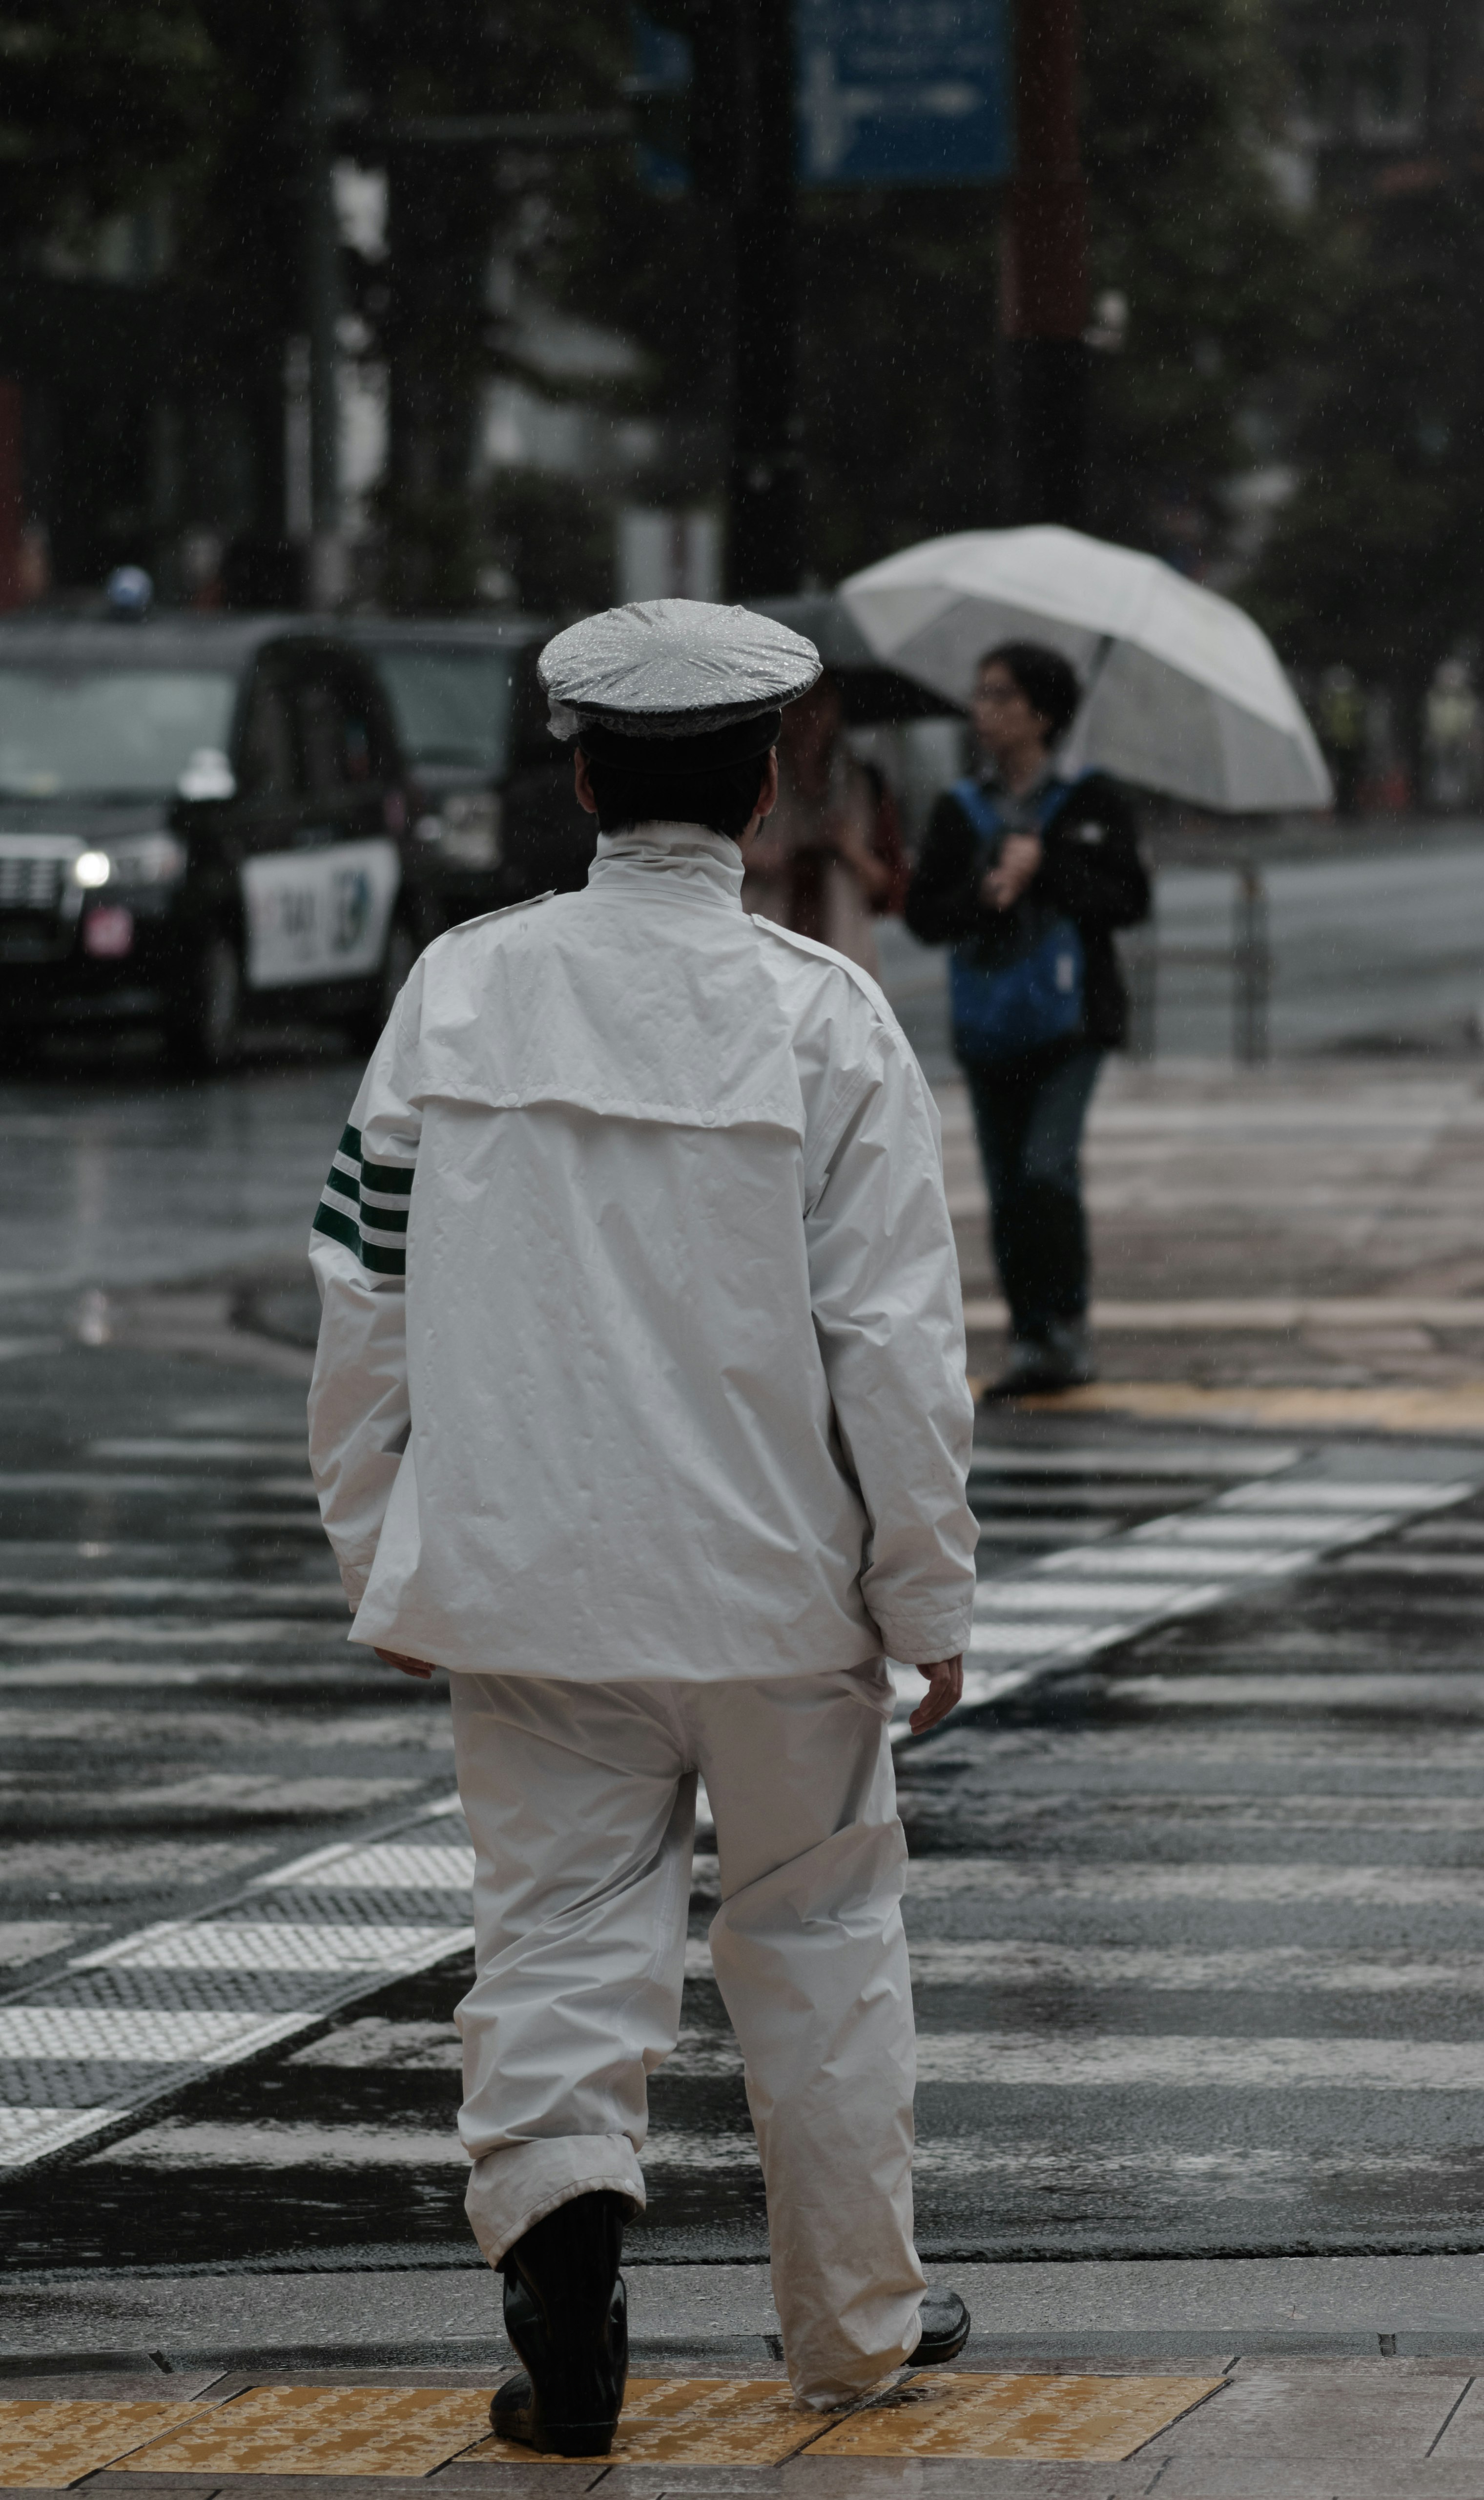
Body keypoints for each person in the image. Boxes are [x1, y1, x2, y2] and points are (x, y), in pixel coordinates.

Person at [305, 599, 978, 2448]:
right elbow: (898, 1353)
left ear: (580, 773)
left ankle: (566, 2295)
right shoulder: (824, 1022)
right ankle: (851, 2333)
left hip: (532, 1588)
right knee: (822, 1936)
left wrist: (389, 1558)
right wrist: (928, 1597)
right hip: (783, 1600)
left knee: (555, 1944)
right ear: (767, 787)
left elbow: (361, 1299)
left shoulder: (457, 991)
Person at [904, 642, 1149, 1401]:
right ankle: (1029, 1336)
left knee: (1048, 1169)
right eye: (979, 695)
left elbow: (1130, 900)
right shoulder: (960, 808)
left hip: (1072, 1023)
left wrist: (1052, 869)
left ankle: (1067, 1328)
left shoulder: (1090, 802)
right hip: (989, 1026)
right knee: (1008, 1187)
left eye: (1001, 696)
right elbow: (923, 915)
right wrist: (985, 889)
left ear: (1042, 714)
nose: (984, 711)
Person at [740, 674, 909, 976]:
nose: (809, 715)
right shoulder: (751, 778)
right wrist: (756, 859)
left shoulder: (865, 784)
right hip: (763, 957)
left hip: (844, 961)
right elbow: (713, 858)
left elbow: (890, 888)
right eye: (798, 704)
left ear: (836, 708)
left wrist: (851, 850)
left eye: (820, 701)